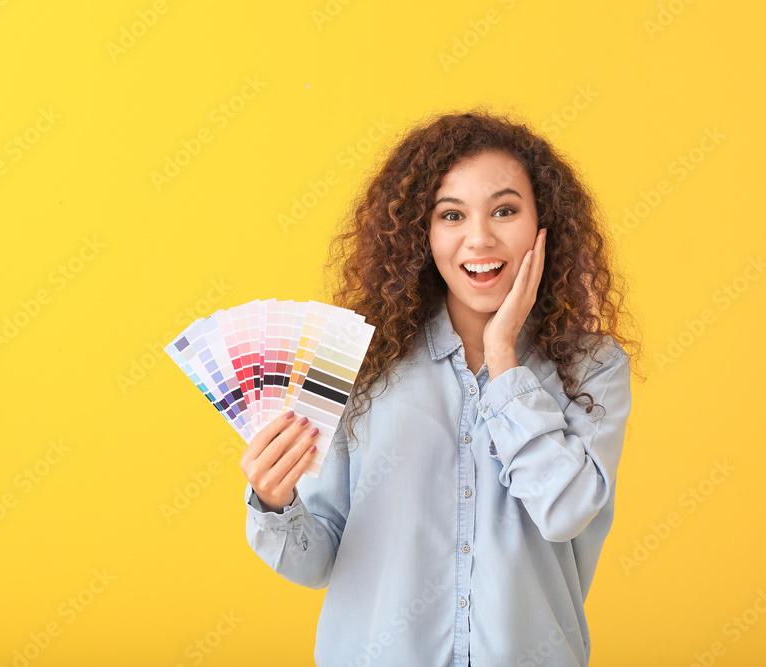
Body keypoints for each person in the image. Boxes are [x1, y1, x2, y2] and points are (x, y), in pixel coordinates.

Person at [239, 108, 643, 666]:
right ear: (421, 234)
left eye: (504, 210)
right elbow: (315, 561)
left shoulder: (592, 368)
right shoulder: (352, 363)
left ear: (543, 223)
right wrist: (273, 503)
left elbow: (566, 511)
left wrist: (503, 362)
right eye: (451, 215)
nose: (479, 238)